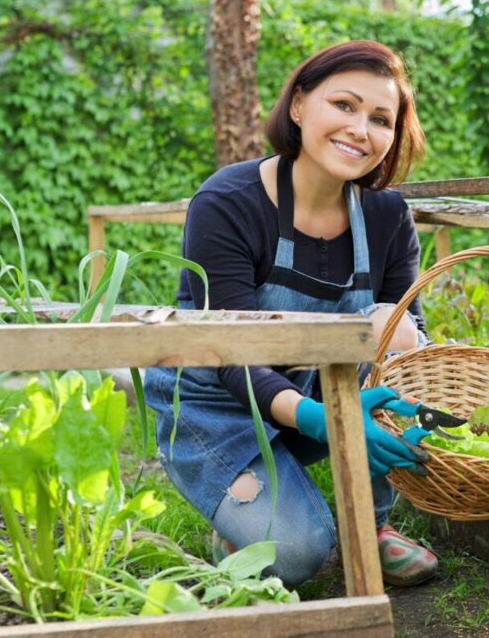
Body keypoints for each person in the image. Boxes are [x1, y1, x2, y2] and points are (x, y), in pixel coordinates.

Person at [144, 39, 440, 589]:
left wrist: (417, 399)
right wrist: (318, 419)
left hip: (317, 387)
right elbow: (230, 355)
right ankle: (240, 516)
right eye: (344, 105)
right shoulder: (229, 202)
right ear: (299, 105)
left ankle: (371, 524)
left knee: (394, 336)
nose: (361, 129)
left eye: (381, 118)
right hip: (216, 404)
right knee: (298, 555)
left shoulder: (386, 215)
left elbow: (413, 334)